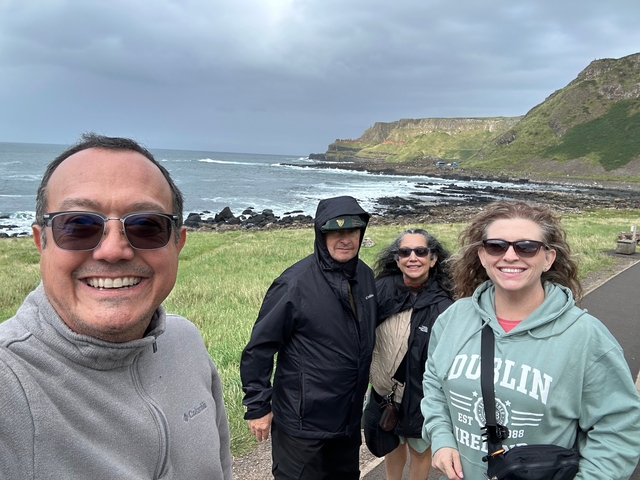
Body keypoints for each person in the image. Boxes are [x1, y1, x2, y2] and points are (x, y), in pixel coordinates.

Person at [0, 134, 233, 479]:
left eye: (146, 225)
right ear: (41, 241)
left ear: (177, 244)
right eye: (78, 225)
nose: (112, 251)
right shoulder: (8, 382)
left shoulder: (185, 341)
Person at [421, 200, 640, 479]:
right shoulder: (454, 319)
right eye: (496, 246)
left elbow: (618, 430)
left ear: (548, 257)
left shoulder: (586, 337)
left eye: (526, 246)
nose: (510, 256)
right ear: (482, 255)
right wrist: (441, 439)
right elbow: (434, 383)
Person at [240, 195, 377, 480]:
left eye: (352, 231)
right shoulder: (294, 284)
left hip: (348, 419)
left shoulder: (364, 276)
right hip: (303, 423)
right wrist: (257, 406)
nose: (345, 239)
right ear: (321, 233)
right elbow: (259, 348)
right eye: (335, 231)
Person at [370, 228, 453, 480]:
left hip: (423, 395)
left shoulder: (447, 302)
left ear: (433, 258)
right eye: (405, 252)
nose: (413, 257)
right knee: (392, 446)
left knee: (420, 450)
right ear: (397, 259)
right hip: (385, 393)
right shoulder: (378, 291)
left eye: (421, 251)